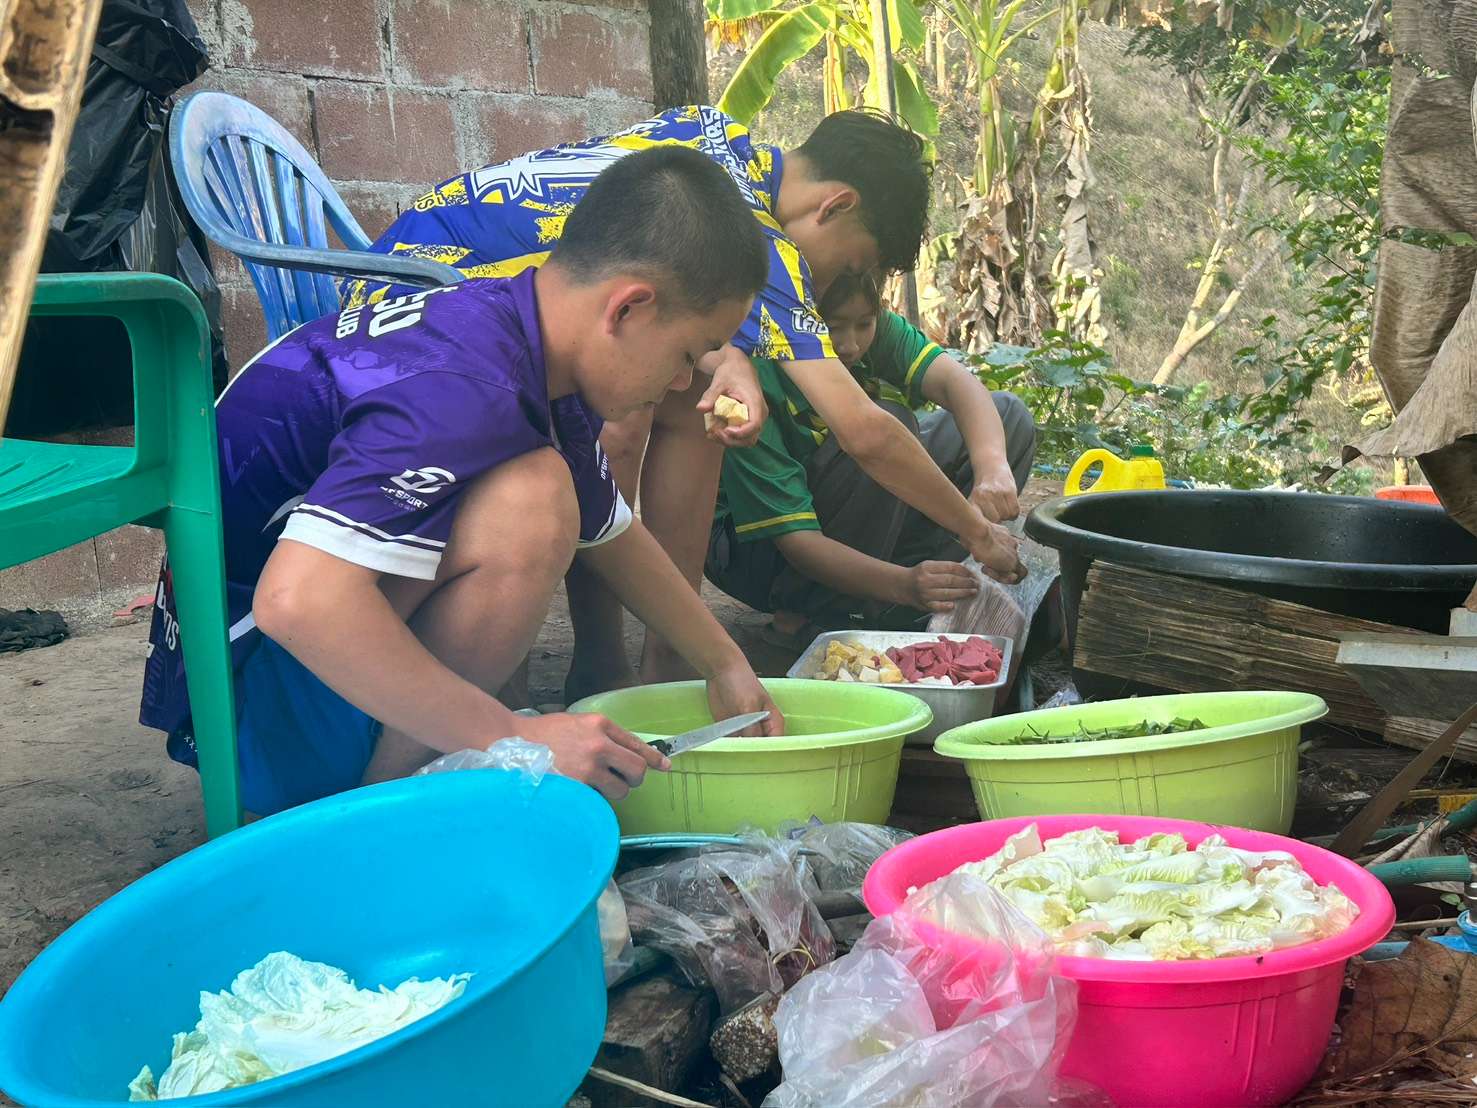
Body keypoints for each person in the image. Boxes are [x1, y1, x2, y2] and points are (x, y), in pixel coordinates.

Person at [138, 147, 783, 816]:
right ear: (627, 309)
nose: (683, 382)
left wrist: (724, 662)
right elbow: (296, 600)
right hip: (248, 723)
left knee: (543, 488)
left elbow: (612, 531)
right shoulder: (464, 385)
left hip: (268, 682)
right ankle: (376, 817)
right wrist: (517, 737)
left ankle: (411, 770)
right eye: (685, 355)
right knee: (529, 502)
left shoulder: (515, 333)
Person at [346, 105, 1023, 698]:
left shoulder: (710, 138)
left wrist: (726, 358)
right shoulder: (759, 235)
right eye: (851, 263)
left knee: (687, 392)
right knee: (628, 411)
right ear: (835, 206)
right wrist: (975, 532)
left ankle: (657, 657)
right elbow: (862, 430)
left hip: (398, 288)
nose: (841, 280)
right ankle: (594, 664)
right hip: (424, 326)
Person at [706, 271, 1036, 637]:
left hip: (848, 513)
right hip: (755, 552)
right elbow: (798, 542)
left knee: (1007, 416)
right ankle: (812, 609)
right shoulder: (756, 379)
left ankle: (927, 596)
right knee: (884, 434)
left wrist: (992, 471)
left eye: (864, 324)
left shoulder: (875, 331)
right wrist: (904, 583)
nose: (850, 344)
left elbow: (956, 383)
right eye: (833, 328)